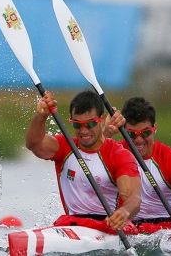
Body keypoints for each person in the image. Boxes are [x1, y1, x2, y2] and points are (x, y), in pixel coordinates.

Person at [25, 90, 142, 235]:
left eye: (90, 123)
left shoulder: (120, 155)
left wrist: (124, 212)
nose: (84, 130)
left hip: (108, 227)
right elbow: (33, 145)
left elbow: (133, 198)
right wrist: (41, 117)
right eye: (77, 124)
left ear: (102, 119)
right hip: (72, 225)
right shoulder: (64, 147)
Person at [104, 97, 171, 248]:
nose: (138, 140)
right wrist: (106, 133)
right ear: (123, 130)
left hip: (164, 233)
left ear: (154, 128)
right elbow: (86, 161)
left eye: (145, 133)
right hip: (125, 229)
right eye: (131, 134)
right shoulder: (113, 152)